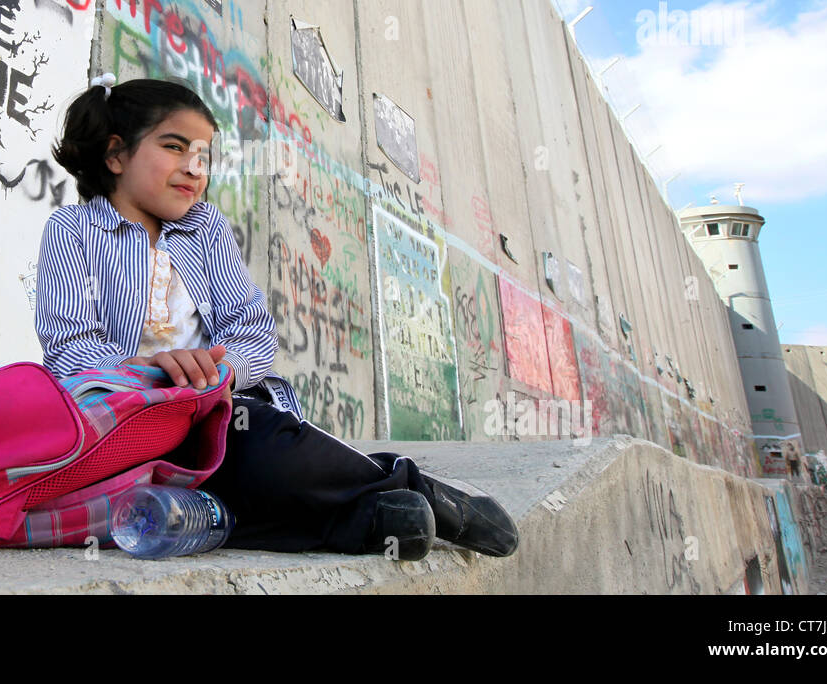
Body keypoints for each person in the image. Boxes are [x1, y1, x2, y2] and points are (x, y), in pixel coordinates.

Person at [34, 75, 519, 560]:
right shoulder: (73, 230)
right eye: (175, 147)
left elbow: (251, 330)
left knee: (271, 453)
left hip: (216, 415)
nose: (193, 168)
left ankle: (409, 493)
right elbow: (70, 346)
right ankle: (374, 518)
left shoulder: (205, 230)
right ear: (116, 155)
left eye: (203, 155)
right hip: (125, 426)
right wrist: (158, 379)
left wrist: (217, 374)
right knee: (201, 502)